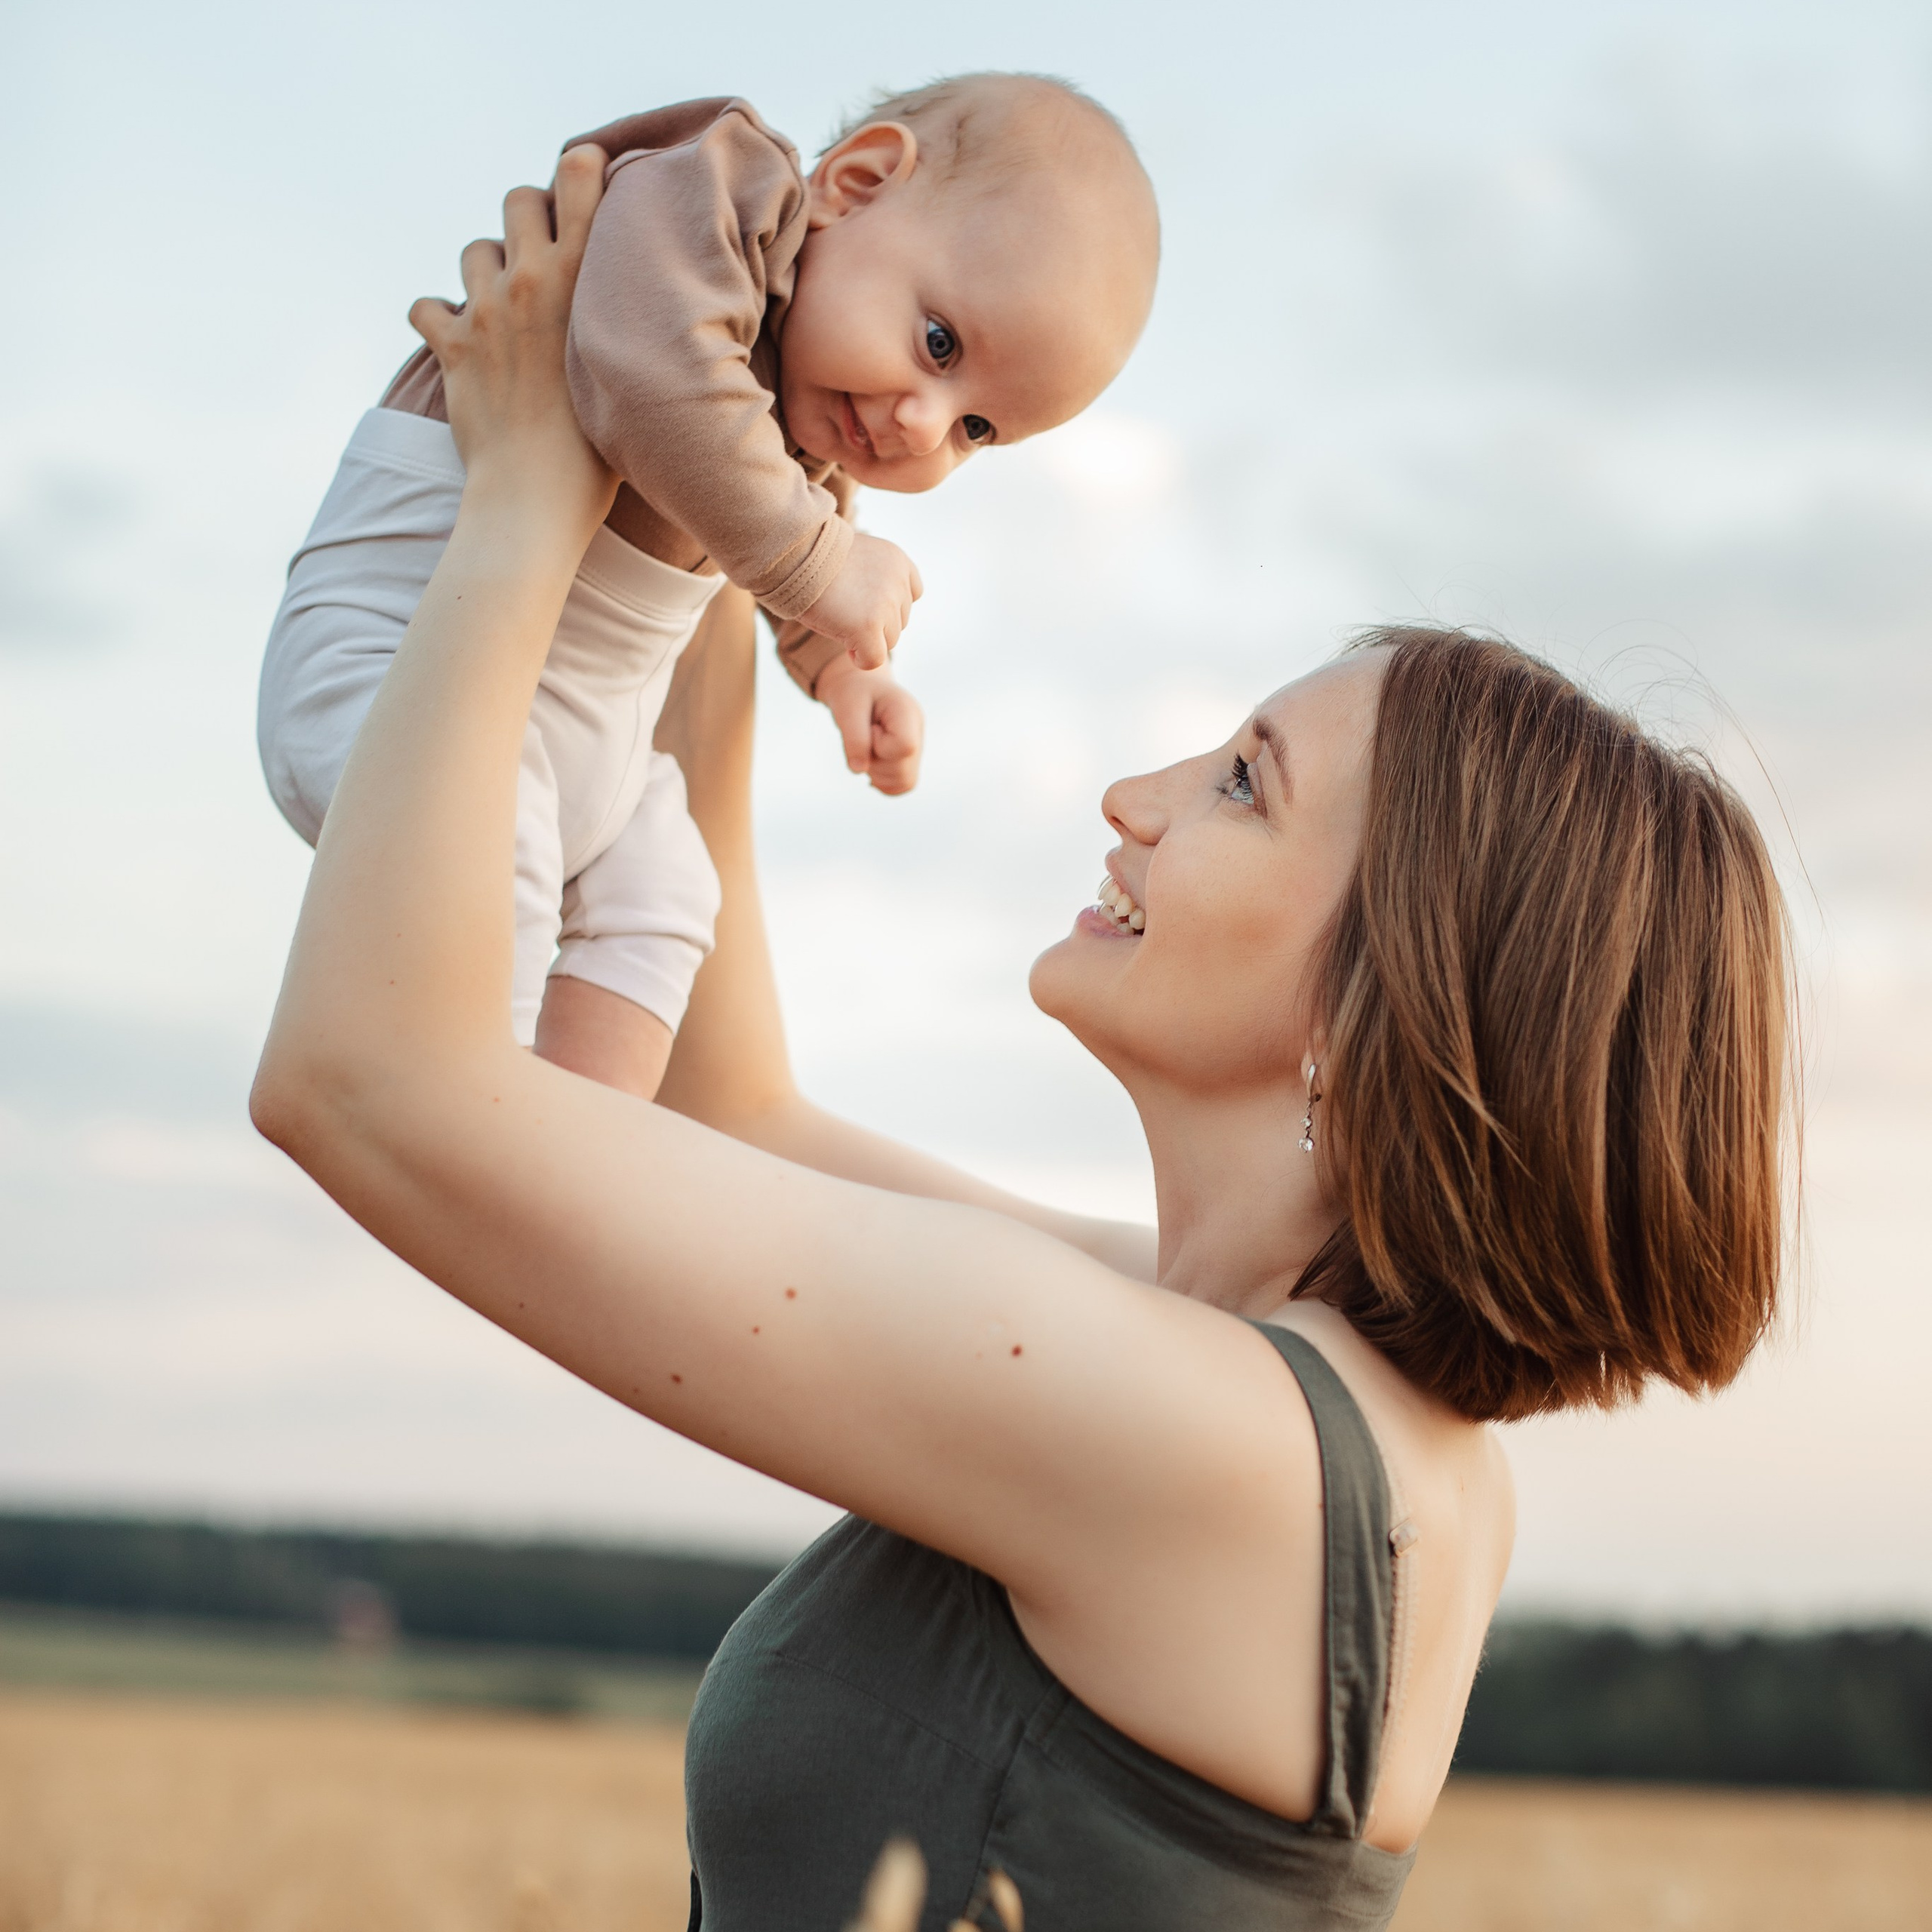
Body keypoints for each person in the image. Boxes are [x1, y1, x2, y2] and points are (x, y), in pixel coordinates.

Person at [251, 158, 1795, 1932]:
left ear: (1395, 999)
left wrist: (523, 504)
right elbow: (730, 1108)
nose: (1131, 802)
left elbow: (368, 1080)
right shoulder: (1265, 1386)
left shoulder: (1212, 1440)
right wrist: (709, 505)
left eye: (1238, 784)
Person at [257, 75, 1159, 1101]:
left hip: (575, 737)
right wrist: (823, 570)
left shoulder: (808, 427)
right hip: (399, 661)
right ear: (855, 187)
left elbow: (783, 526)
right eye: (941, 344)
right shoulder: (722, 200)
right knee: (489, 853)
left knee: (670, 893)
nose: (922, 423)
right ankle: (477, 1122)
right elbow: (649, 374)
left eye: (976, 429)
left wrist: (846, 676)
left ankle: (582, 1156)